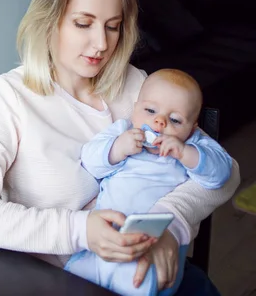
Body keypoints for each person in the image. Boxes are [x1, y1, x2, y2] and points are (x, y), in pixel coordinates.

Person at [0, 0, 240, 294]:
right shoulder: (10, 96)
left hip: (142, 266)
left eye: (113, 27)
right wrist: (80, 229)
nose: (101, 44)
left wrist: (170, 227)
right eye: (83, 23)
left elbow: (226, 173)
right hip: (58, 279)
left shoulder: (135, 85)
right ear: (48, 20)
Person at [65, 68, 233, 295]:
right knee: (74, 273)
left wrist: (185, 153)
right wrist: (117, 149)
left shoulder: (195, 145)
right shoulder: (123, 130)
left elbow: (222, 173)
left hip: (154, 245)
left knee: (136, 280)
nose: (159, 121)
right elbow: (90, 160)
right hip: (105, 238)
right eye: (150, 110)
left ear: (192, 127)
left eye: (175, 119)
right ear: (135, 109)